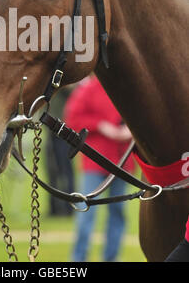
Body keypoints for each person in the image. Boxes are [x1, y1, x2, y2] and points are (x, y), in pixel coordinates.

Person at [64, 76, 134, 262]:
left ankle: (111, 258)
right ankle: (78, 260)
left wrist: (130, 129)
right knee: (86, 211)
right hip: (95, 161)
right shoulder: (89, 88)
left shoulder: (127, 86)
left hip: (122, 161)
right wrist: (101, 126)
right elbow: (72, 118)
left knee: (117, 212)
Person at [45, 86, 75, 216]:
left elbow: (71, 90)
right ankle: (54, 208)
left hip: (64, 132)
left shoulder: (68, 83)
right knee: (52, 170)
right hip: (51, 131)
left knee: (65, 171)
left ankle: (69, 207)